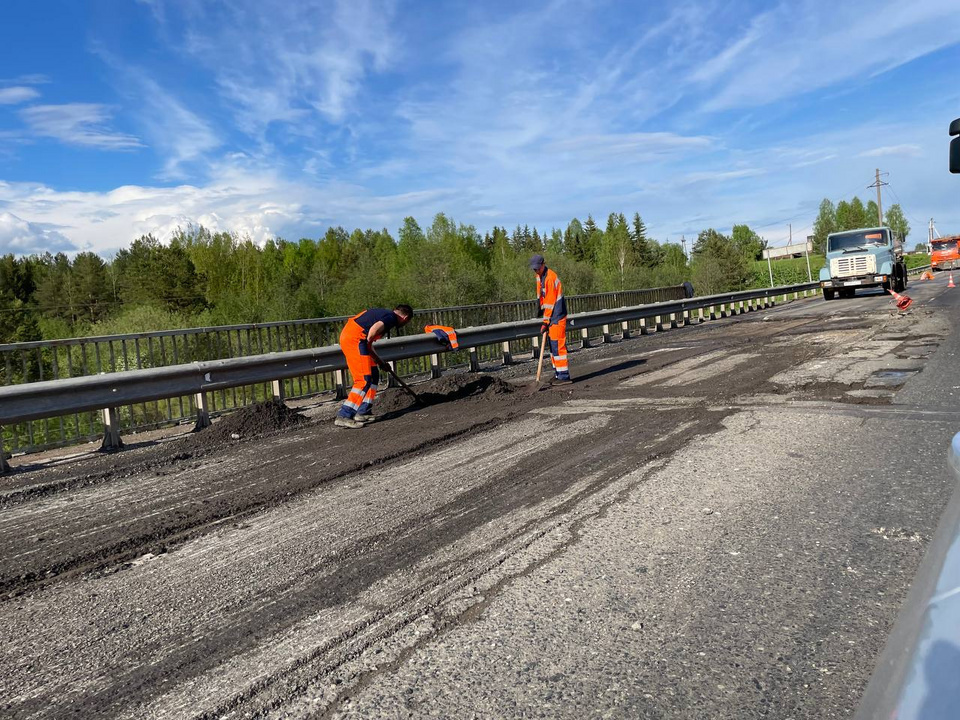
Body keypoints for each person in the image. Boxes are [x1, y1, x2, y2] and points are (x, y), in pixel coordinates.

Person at [335, 304, 413, 429]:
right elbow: (371, 335)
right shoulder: (391, 318)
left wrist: (380, 362)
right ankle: (344, 415)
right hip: (355, 340)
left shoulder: (384, 314)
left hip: (355, 339)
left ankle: (363, 411)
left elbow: (369, 343)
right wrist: (369, 344)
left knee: (374, 374)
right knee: (364, 379)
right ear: (405, 317)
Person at [529, 254, 571, 384]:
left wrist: (545, 322)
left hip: (557, 315)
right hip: (550, 316)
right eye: (534, 269)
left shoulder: (550, 278)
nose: (536, 271)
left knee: (558, 346)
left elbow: (550, 302)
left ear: (543, 264)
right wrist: (540, 312)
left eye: (538, 268)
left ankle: (564, 376)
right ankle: (558, 374)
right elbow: (541, 297)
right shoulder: (539, 277)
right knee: (553, 347)